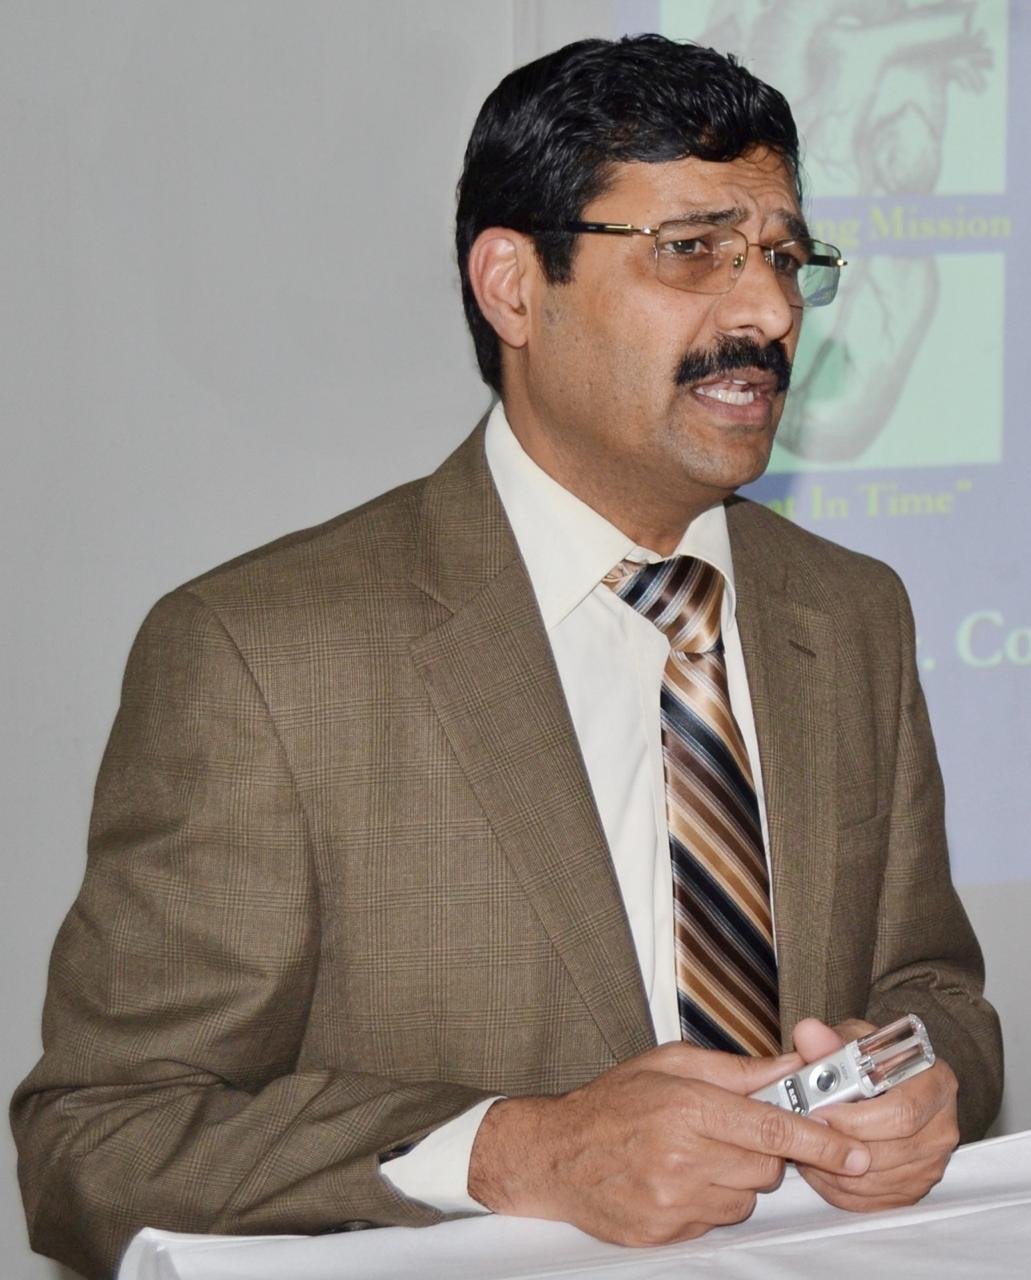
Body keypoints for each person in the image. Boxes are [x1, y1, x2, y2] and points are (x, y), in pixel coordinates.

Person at [11, 34, 1002, 1280]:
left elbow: (934, 990)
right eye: (691, 249)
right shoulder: (262, 654)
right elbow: (98, 1137)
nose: (763, 312)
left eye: (782, 258)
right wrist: (511, 1151)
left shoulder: (851, 611)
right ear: (512, 286)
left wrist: (920, 1079)